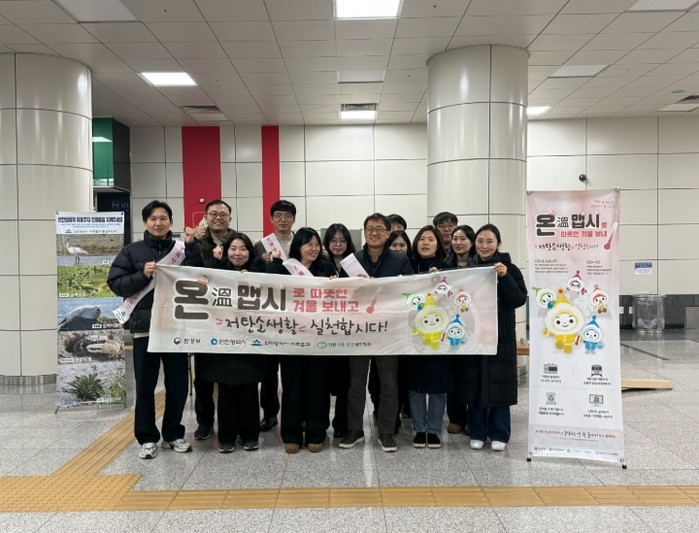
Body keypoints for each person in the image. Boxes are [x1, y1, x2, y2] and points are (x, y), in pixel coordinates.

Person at [107, 200, 202, 459]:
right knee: (145, 386)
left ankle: (173, 433)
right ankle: (147, 437)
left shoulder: (182, 249)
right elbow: (115, 284)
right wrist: (142, 276)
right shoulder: (131, 251)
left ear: (171, 221)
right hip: (144, 330)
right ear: (145, 222)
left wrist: (193, 247)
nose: (158, 223)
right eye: (153, 219)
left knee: (178, 385)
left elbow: (199, 277)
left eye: (163, 218)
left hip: (176, 328)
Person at [340, 213, 413, 453]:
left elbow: (408, 291)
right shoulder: (352, 261)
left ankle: (386, 431)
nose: (374, 232)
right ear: (364, 232)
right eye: (370, 228)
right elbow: (342, 294)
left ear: (388, 232)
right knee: (355, 383)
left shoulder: (400, 260)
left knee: (389, 384)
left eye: (379, 229)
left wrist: (377, 285)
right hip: (359, 331)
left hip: (388, 331)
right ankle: (354, 429)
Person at [199, 233, 269, 453]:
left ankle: (250, 435)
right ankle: (226, 436)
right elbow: (202, 286)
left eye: (243, 249)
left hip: (251, 341)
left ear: (250, 252)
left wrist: (255, 280)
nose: (238, 253)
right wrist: (214, 262)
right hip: (224, 341)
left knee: (249, 389)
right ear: (225, 251)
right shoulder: (216, 272)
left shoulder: (261, 272)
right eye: (233, 249)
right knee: (226, 390)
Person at [267, 227, 336, 453]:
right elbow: (269, 289)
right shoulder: (284, 268)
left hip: (319, 338)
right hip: (291, 339)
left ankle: (316, 433)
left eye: (317, 245)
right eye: (309, 244)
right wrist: (272, 264)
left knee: (318, 386)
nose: (314, 249)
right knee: (292, 387)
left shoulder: (326, 269)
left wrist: (336, 284)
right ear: (298, 246)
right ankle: (291, 434)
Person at [463, 224, 527, 452]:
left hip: (501, 336)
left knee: (501, 384)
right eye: (480, 241)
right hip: (474, 335)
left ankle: (500, 432)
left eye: (489, 241)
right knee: (475, 384)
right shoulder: (468, 269)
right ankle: (477, 431)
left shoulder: (510, 268)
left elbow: (518, 300)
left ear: (498, 244)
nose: (484, 246)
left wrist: (505, 277)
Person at [190, 199, 237, 442]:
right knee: (203, 377)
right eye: (213, 213)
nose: (218, 217)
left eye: (223, 214)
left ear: (230, 218)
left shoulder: (239, 241)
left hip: (234, 319)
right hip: (205, 318)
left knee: (234, 376)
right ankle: (204, 422)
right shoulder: (197, 242)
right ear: (206, 217)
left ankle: (234, 422)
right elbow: (190, 274)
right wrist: (191, 244)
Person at [404, 225, 454, 449]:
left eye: (431, 239)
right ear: (416, 243)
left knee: (437, 382)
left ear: (438, 244)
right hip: (413, 334)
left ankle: (433, 430)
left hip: (439, 334)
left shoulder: (448, 269)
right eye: (422, 239)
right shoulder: (407, 267)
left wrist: (441, 282)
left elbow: (454, 300)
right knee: (414, 383)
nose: (425, 243)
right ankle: (419, 428)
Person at [254, 199, 297, 432]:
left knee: (292, 370)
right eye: (278, 215)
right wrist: (261, 263)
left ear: (294, 219)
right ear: (271, 219)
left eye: (287, 215)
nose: (283, 219)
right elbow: (252, 275)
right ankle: (270, 414)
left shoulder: (302, 242)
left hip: (296, 315)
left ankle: (294, 412)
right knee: (268, 371)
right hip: (269, 315)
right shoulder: (261, 246)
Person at [321, 223, 356, 439]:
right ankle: (321, 423)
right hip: (324, 332)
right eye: (333, 240)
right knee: (323, 382)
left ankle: (342, 423)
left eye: (342, 240)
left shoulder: (355, 265)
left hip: (348, 331)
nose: (338, 244)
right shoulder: (320, 265)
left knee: (346, 382)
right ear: (326, 243)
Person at [444, 224, 477, 435]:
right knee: (453, 374)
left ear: (471, 242)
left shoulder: (481, 266)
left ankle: (473, 418)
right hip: (450, 325)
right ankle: (456, 418)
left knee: (471, 374)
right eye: (455, 238)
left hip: (474, 324)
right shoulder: (445, 265)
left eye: (463, 238)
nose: (458, 242)